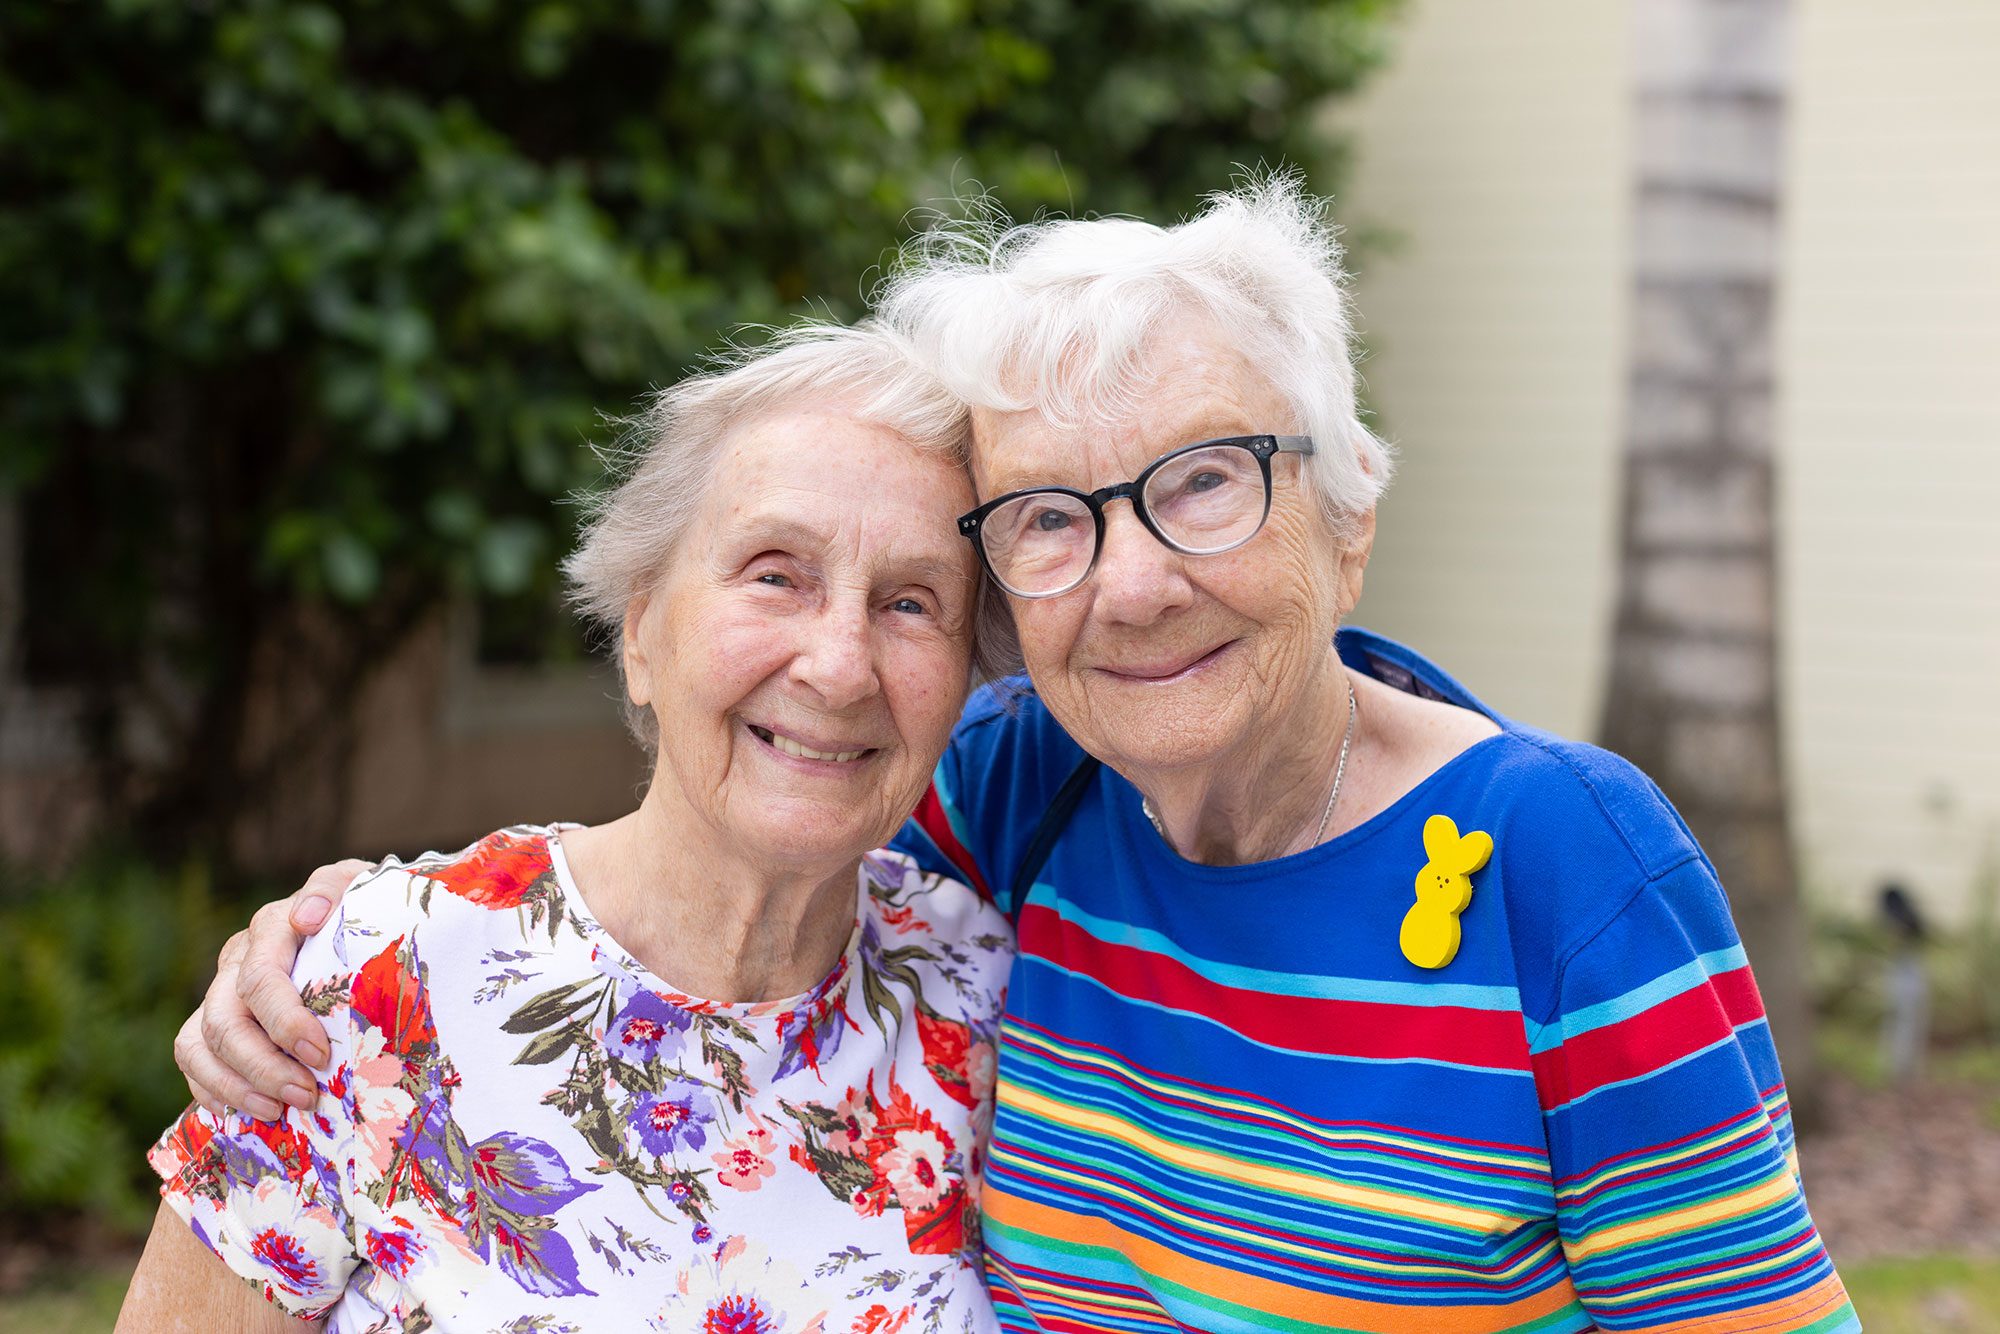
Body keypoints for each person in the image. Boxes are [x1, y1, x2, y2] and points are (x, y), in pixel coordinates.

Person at [183, 176, 1858, 1334]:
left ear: (1346, 517)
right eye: (1051, 519)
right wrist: (359, 929)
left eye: (1205, 479)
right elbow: (717, 883)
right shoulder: (1023, 798)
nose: (1132, 578)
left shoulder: (1560, 863)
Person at [119, 326, 1016, 1332]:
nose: (841, 664)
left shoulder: (981, 990)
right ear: (640, 632)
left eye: (910, 601)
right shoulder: (377, 976)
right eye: (775, 574)